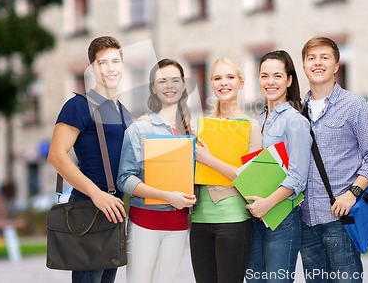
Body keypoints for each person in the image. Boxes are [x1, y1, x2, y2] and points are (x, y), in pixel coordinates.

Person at [299, 36, 368, 283]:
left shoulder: (355, 106)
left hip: (341, 221)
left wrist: (352, 194)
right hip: (307, 222)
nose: (318, 63)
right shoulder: (296, 111)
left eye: (324, 57)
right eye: (311, 58)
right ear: (304, 66)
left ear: (336, 65)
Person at [48, 35, 132, 283]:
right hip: (89, 207)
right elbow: (56, 155)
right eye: (103, 62)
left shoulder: (123, 111)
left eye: (115, 61)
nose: (110, 68)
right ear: (91, 69)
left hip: (114, 209)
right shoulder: (78, 105)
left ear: (123, 66)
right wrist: (97, 194)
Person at [117, 58, 196, 283]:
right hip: (145, 224)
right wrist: (165, 196)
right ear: (153, 87)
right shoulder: (140, 129)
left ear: (183, 86)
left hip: (179, 226)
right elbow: (124, 179)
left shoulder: (192, 132)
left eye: (175, 80)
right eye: (162, 81)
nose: (169, 86)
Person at [245, 50, 312, 283]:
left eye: (277, 76)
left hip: (282, 219)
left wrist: (267, 204)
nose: (270, 82)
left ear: (289, 80)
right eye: (264, 76)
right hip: (254, 217)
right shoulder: (256, 121)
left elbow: (297, 178)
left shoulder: (295, 121)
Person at [193, 57, 262, 283]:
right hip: (199, 221)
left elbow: (251, 179)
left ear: (241, 83)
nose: (224, 82)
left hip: (233, 220)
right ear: (211, 84)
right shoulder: (200, 126)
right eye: (217, 78)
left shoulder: (250, 126)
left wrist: (209, 159)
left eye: (230, 77)